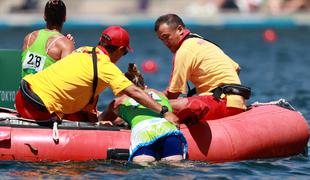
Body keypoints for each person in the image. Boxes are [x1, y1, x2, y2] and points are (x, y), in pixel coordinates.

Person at [15, 25, 179, 124]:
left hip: (22, 95)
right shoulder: (106, 67)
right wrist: (164, 111)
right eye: (125, 54)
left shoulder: (82, 49)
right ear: (121, 50)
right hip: (37, 109)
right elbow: (134, 92)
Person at [154, 14, 251, 123]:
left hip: (223, 103)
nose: (165, 43)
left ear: (180, 29)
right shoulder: (203, 42)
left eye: (166, 37)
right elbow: (236, 68)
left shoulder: (184, 51)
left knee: (158, 105)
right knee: (181, 101)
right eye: (162, 39)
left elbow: (173, 94)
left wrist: (150, 98)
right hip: (237, 102)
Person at [99, 63, 187, 163]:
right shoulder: (160, 94)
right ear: (145, 87)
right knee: (175, 165)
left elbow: (102, 119)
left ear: (124, 90)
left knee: (143, 166)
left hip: (144, 132)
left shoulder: (118, 102)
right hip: (168, 128)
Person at [21, 0, 75, 78]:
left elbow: (33, 69)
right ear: (65, 18)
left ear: (44, 17)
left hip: (24, 89)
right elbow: (68, 78)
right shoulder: (65, 45)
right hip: (45, 90)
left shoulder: (29, 37)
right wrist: (70, 47)